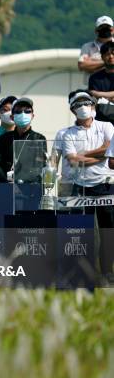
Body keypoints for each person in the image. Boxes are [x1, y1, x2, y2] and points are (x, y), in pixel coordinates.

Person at [65, 91, 114, 281]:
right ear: (72, 110)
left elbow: (109, 149)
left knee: (107, 231)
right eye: (78, 104)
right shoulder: (68, 133)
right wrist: (100, 154)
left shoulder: (106, 125)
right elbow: (73, 160)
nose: (83, 107)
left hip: (105, 185)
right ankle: (85, 271)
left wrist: (85, 154)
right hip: (80, 186)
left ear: (93, 105)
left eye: (86, 102)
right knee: (82, 232)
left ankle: (107, 271)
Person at [0, 97, 46, 184]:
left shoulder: (39, 138)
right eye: (18, 111)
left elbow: (41, 166)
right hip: (7, 187)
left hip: (30, 188)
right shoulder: (4, 138)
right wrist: (5, 182)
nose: (23, 114)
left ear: (32, 116)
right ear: (12, 117)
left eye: (27, 111)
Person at [78, 16, 114, 84]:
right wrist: (108, 62)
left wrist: (93, 62)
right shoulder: (87, 47)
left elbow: (86, 65)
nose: (105, 30)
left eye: (107, 28)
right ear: (96, 30)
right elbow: (82, 66)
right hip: (92, 87)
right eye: (102, 28)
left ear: (113, 30)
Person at [88, 41, 114, 123]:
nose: (111, 57)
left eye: (113, 53)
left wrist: (99, 94)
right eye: (107, 54)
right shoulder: (95, 78)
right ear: (102, 57)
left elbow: (96, 95)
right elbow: (93, 100)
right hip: (101, 121)